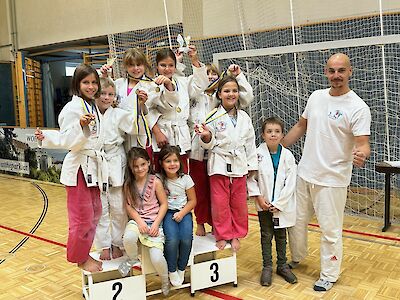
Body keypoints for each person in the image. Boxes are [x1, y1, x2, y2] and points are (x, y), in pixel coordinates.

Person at [282, 53, 371, 292]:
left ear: (350, 72)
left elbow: (363, 142)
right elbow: (301, 126)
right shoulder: (316, 97)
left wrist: (362, 153)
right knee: (295, 222)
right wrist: (277, 148)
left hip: (332, 181)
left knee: (330, 231)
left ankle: (329, 274)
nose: (336, 76)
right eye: (332, 71)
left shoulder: (358, 107)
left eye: (341, 71)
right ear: (325, 72)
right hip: (304, 174)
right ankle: (297, 258)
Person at [37, 64, 105, 272]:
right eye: (86, 82)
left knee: (95, 214)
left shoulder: (91, 105)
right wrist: (81, 127)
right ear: (77, 84)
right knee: (81, 218)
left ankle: (84, 253)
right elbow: (68, 141)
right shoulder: (72, 109)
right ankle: (80, 258)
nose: (91, 86)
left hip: (92, 167)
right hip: (78, 170)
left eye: (94, 82)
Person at [189, 63, 254, 236]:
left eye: (213, 74)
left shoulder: (238, 112)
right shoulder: (195, 94)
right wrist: (205, 136)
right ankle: (209, 226)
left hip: (232, 159)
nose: (210, 77)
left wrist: (239, 75)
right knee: (209, 196)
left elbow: (249, 141)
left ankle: (233, 232)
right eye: (207, 74)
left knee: (235, 200)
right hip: (207, 155)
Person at [247, 117, 297, 286]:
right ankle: (267, 267)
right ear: (263, 135)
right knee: (266, 235)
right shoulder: (257, 154)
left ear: (282, 135)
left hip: (281, 206)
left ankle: (282, 265)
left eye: (277, 131)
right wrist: (260, 198)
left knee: (281, 236)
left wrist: (280, 203)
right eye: (269, 131)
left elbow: (291, 182)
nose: (273, 135)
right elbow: (250, 179)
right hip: (264, 205)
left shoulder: (288, 156)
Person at [92, 77, 139, 260]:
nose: (106, 97)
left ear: (115, 97)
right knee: (100, 208)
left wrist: (140, 105)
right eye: (103, 93)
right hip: (96, 161)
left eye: (110, 94)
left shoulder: (118, 113)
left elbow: (134, 127)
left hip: (115, 160)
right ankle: (103, 245)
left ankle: (117, 243)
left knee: (119, 207)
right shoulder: (90, 113)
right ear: (96, 94)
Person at [100, 48, 177, 150]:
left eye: (139, 64)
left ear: (145, 65)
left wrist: (168, 85)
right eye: (131, 65)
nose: (136, 68)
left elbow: (169, 104)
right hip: (121, 134)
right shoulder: (118, 84)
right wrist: (104, 76)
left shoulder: (152, 85)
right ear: (125, 67)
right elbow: (105, 99)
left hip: (142, 134)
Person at [147, 46, 208, 173]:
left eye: (171, 65)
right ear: (157, 66)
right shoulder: (152, 85)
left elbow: (200, 85)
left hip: (181, 135)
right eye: (163, 65)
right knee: (162, 174)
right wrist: (157, 132)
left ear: (176, 66)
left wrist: (194, 60)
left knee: (183, 174)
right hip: (163, 135)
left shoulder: (182, 82)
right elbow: (147, 111)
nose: (167, 69)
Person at [121, 147, 170, 295]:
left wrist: (155, 224)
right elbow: (129, 207)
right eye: (135, 166)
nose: (139, 168)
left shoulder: (155, 182)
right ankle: (132, 259)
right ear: (131, 167)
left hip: (155, 223)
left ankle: (165, 279)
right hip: (138, 222)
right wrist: (139, 221)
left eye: (142, 164)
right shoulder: (128, 184)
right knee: (128, 238)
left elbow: (164, 204)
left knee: (157, 258)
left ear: (148, 163)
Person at [158, 145, 197, 287]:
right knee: (172, 240)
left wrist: (181, 213)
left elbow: (193, 200)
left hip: (184, 212)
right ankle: (171, 269)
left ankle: (181, 267)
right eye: (168, 161)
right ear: (161, 163)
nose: (172, 164)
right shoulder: (158, 180)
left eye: (175, 160)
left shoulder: (186, 179)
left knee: (186, 238)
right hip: (167, 213)